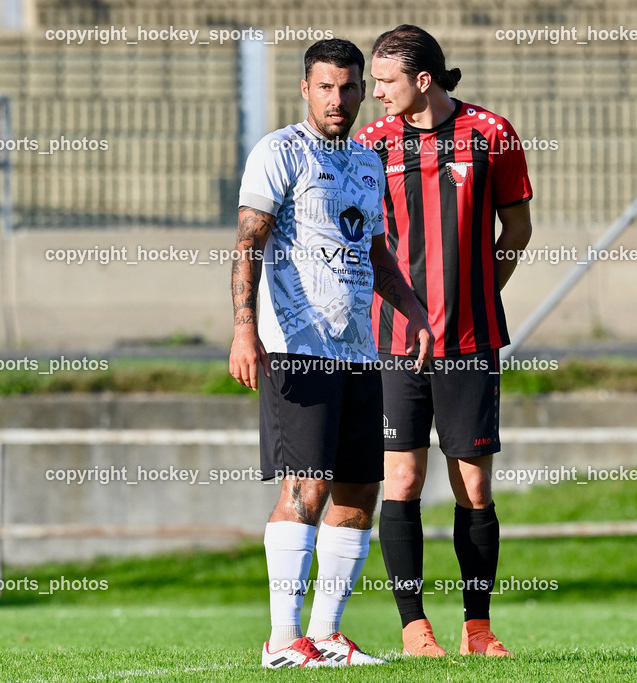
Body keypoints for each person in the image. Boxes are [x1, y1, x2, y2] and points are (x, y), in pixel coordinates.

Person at [229, 38, 433, 668]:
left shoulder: (368, 162)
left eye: (349, 87)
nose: (339, 98)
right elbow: (248, 245)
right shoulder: (279, 152)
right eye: (326, 87)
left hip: (358, 352)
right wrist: (244, 329)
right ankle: (283, 640)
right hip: (296, 349)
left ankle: (324, 636)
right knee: (307, 487)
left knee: (358, 492)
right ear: (305, 89)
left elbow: (373, 251)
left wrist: (414, 311)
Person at [355, 25, 533, 657]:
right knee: (400, 479)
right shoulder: (371, 145)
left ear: (421, 80)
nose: (374, 94)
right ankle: (413, 627)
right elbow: (366, 242)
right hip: (398, 342)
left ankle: (478, 629)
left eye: (384, 81)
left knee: (474, 488)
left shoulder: (492, 133)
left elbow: (518, 225)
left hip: (470, 340)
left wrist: (482, 292)